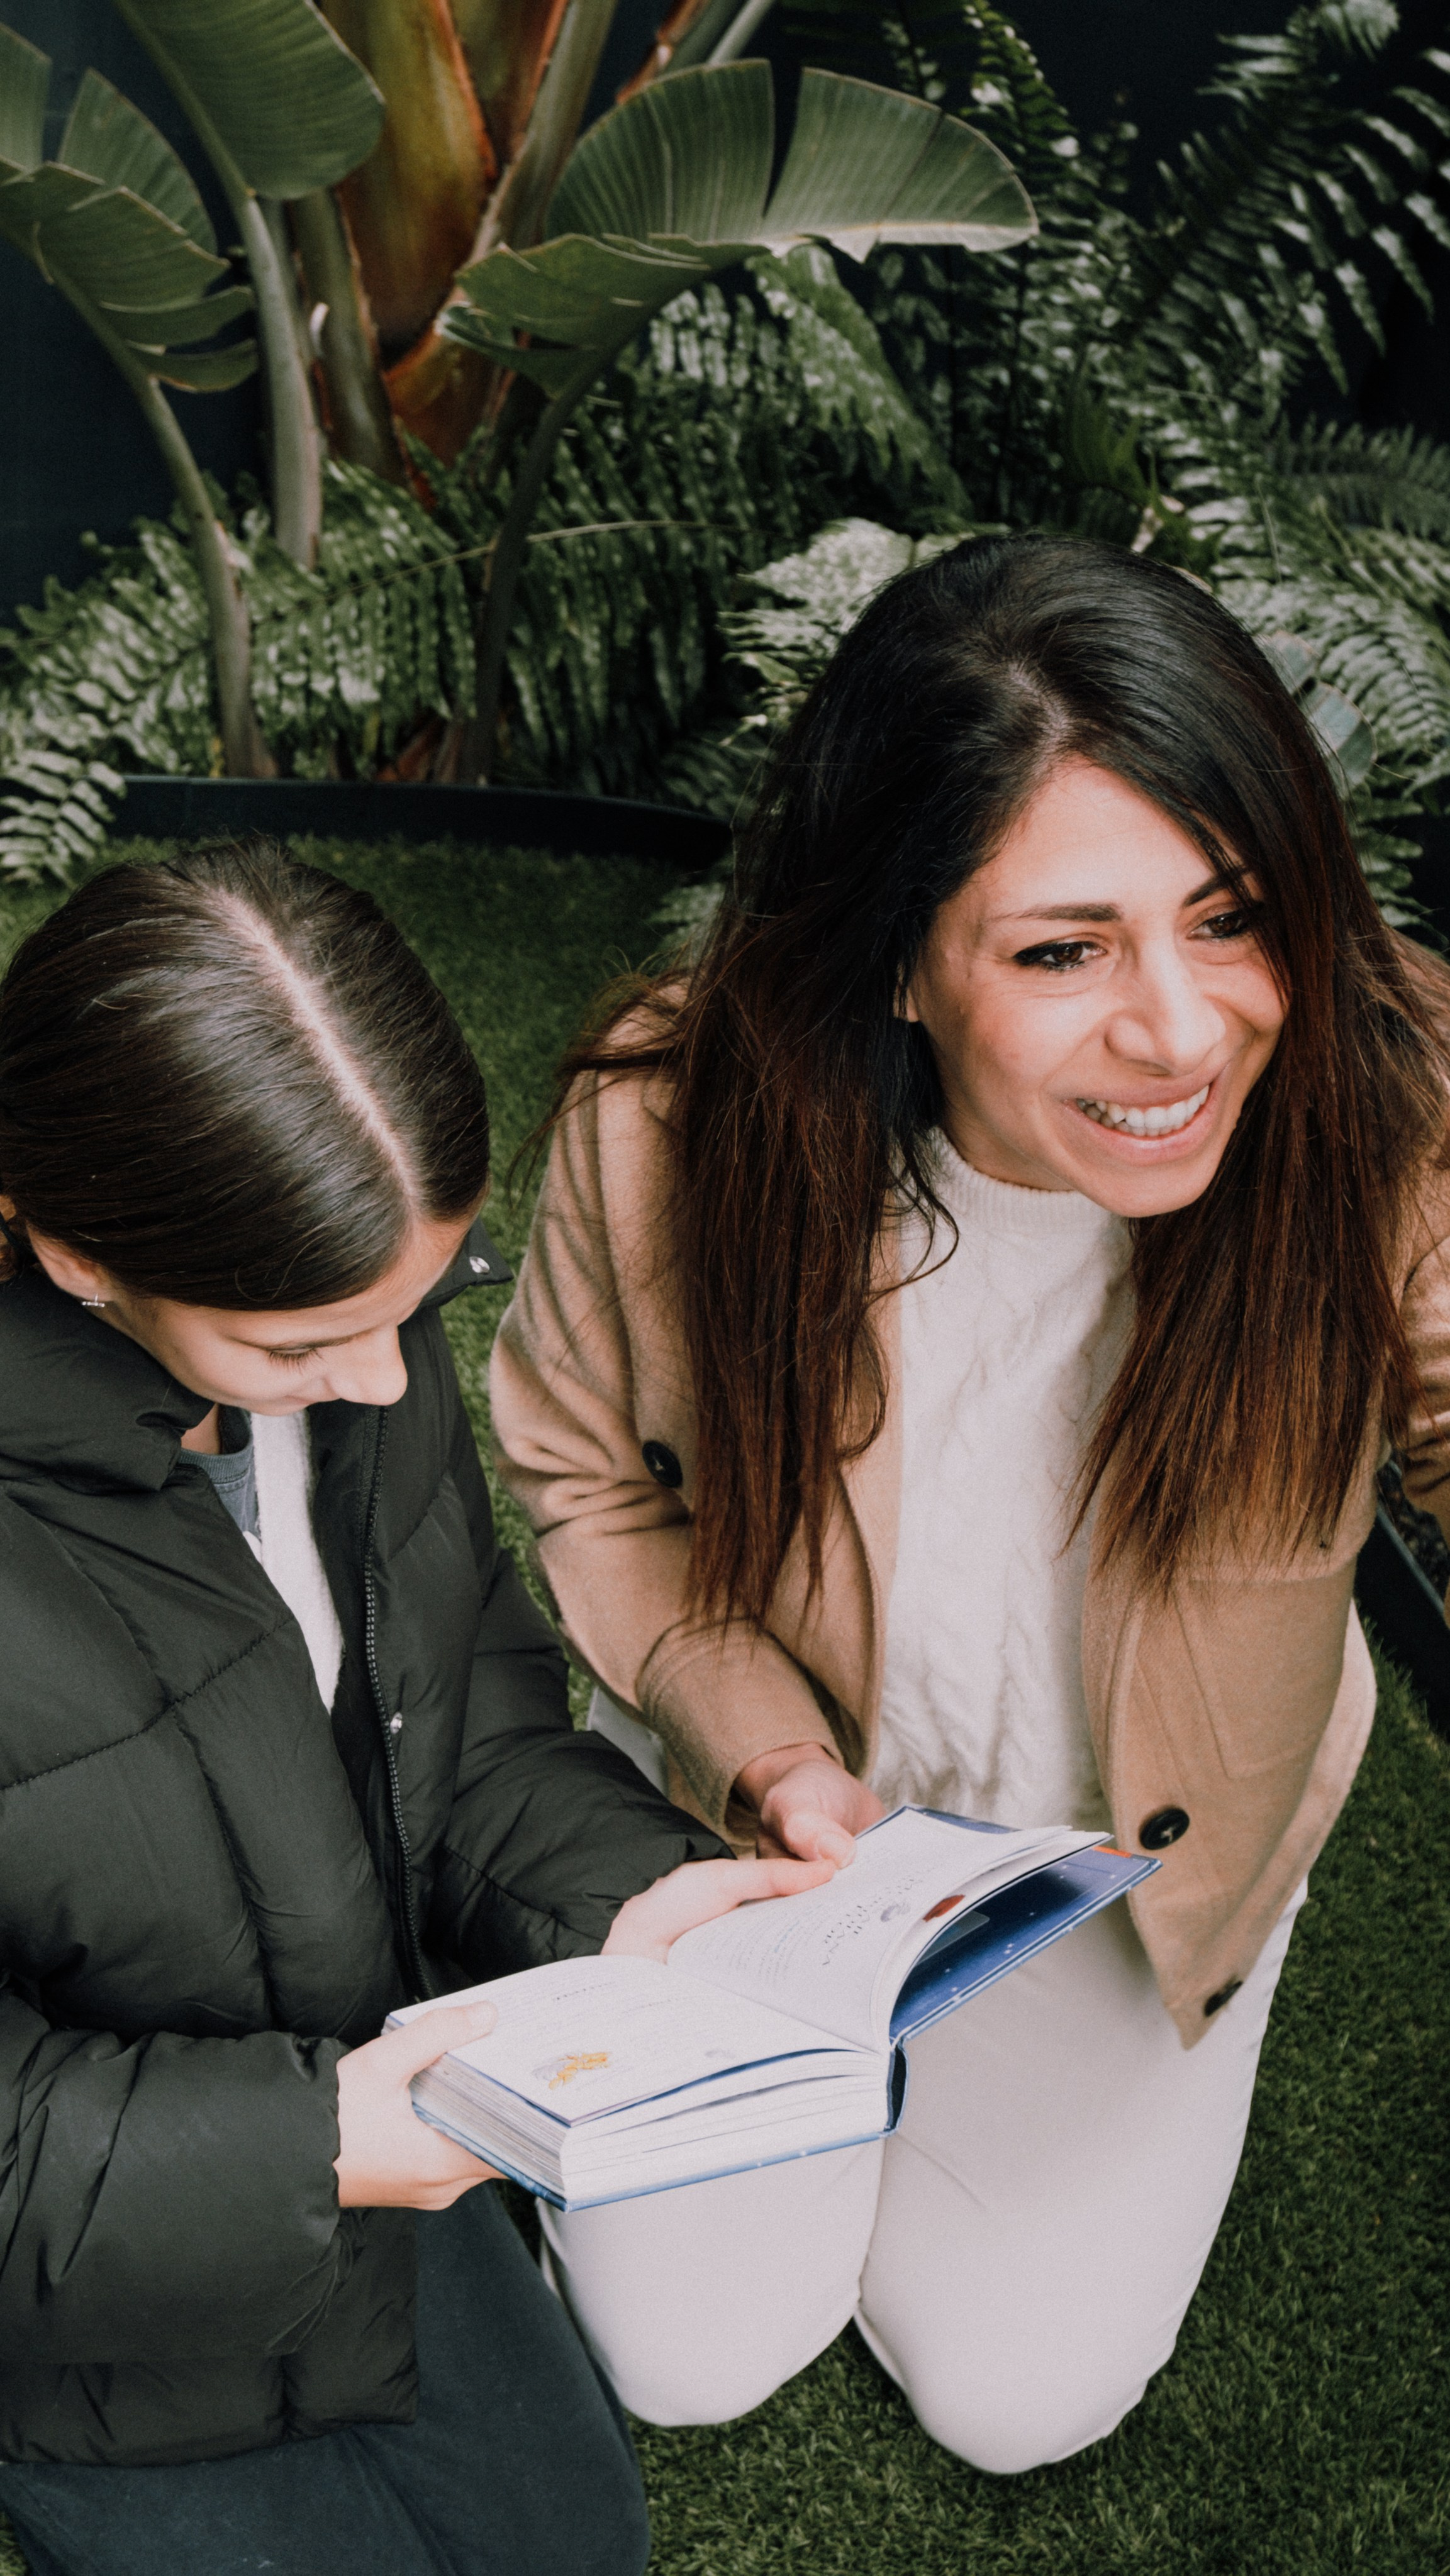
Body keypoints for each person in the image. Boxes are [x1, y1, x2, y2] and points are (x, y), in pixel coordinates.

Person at [491, 532, 1450, 2472]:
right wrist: (766, 1762)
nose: (1181, 1034)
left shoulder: (1388, 1096)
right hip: (778, 1831)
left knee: (1018, 2399)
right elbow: (584, 1478)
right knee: (685, 2355)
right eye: (1059, 950)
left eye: (1230, 915)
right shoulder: (667, 1119)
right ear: (903, 958)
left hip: (1127, 1849)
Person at [0, 841, 832, 2576]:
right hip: (100, 2300)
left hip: (389, 2165)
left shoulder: (345, 1343)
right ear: (78, 1255)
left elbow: (467, 1711)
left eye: (415, 1309)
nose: (381, 1383)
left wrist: (623, 1897)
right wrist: (313, 2148)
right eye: (305, 1345)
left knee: (578, 2544)